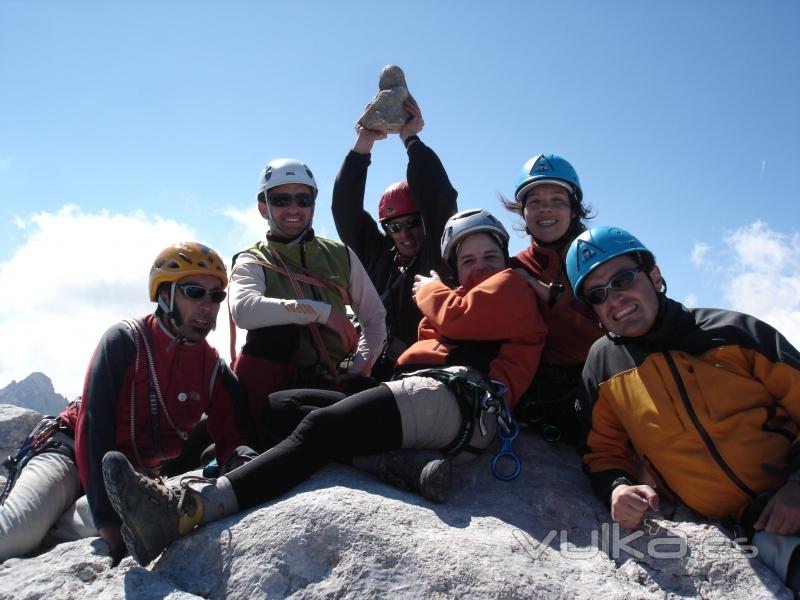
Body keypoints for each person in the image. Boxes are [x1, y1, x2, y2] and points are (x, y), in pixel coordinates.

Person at [101, 208, 548, 567]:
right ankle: (397, 464)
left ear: (505, 260)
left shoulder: (511, 287)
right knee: (280, 407)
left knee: (320, 428)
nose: (479, 268)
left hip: (459, 399)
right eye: (467, 260)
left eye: (489, 257)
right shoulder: (477, 299)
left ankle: (189, 509)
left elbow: (455, 317)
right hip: (433, 399)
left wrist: (430, 289)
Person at [566, 226, 800, 592]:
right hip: (752, 528)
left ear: (655, 276)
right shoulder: (603, 368)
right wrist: (616, 488)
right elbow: (602, 453)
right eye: (597, 294)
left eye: (623, 279)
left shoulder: (734, 333)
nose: (614, 298)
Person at [0, 242, 255, 562]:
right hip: (69, 455)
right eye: (194, 292)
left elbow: (233, 435)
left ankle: (57, 519)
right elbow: (94, 428)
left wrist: (243, 462)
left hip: (128, 477)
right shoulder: (125, 340)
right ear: (165, 295)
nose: (207, 305)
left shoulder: (212, 370)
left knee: (59, 534)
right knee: (13, 535)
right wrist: (107, 519)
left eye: (216, 295)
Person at [229, 158, 387, 430]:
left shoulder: (340, 255)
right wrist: (322, 313)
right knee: (274, 334)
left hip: (332, 378)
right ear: (263, 207)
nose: (293, 208)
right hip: (277, 383)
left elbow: (374, 318)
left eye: (303, 199)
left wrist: (358, 368)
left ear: (313, 204)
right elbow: (244, 310)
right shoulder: (252, 260)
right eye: (281, 200)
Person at [332, 97, 458, 379]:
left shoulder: (440, 253)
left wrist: (410, 138)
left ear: (425, 221)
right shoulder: (380, 257)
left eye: (413, 223)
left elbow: (440, 197)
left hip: (428, 375)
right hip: (375, 372)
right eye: (394, 227)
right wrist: (364, 143)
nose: (405, 234)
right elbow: (345, 210)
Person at [501, 153, 602, 444]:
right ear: (523, 212)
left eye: (557, 200)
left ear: (574, 209)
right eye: (535, 202)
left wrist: (548, 295)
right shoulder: (513, 268)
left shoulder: (601, 259)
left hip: (602, 384)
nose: (546, 210)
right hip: (541, 393)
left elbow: (614, 330)